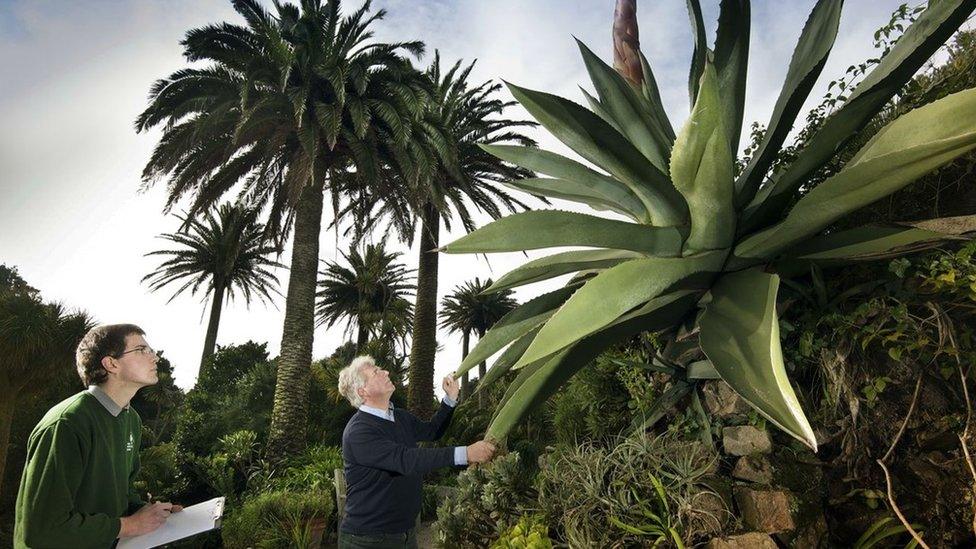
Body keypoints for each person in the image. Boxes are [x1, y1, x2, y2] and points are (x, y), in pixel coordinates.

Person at [14, 323, 182, 548]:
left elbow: (121, 492)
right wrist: (130, 526)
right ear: (111, 364)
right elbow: (42, 530)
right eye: (142, 350)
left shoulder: (131, 420)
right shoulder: (67, 423)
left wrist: (149, 512)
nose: (154, 357)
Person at [337, 355, 496, 548]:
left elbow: (432, 431)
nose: (386, 372)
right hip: (367, 539)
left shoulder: (400, 417)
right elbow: (405, 459)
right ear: (363, 391)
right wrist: (465, 453)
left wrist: (449, 399)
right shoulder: (359, 432)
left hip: (405, 534)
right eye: (376, 372)